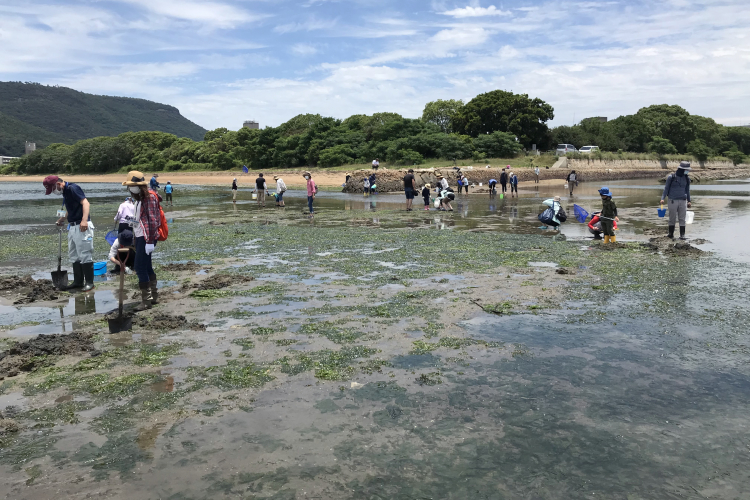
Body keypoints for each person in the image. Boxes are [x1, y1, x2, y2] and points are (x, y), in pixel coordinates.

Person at [43, 175, 96, 291]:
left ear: (58, 184)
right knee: (74, 255)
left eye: (52, 189)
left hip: (82, 226)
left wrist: (84, 220)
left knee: (85, 254)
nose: (53, 192)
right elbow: (70, 209)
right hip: (72, 226)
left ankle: (89, 283)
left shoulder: (73, 188)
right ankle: (78, 281)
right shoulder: (65, 192)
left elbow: (86, 203)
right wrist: (61, 220)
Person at [122, 170, 162, 310]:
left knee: (139, 267)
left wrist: (150, 242)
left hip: (147, 238)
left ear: (140, 185)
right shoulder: (140, 199)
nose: (130, 188)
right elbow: (141, 219)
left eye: (132, 185)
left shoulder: (149, 198)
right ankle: (153, 297)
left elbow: (152, 220)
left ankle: (146, 301)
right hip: (141, 237)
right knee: (146, 266)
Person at [660, 161, 692, 240]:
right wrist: (662, 198)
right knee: (672, 218)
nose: (687, 171)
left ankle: (682, 235)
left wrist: (689, 201)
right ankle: (670, 234)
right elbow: (666, 189)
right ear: (681, 169)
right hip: (672, 200)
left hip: (683, 201)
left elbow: (687, 190)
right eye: (686, 170)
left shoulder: (687, 179)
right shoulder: (671, 177)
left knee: (682, 218)